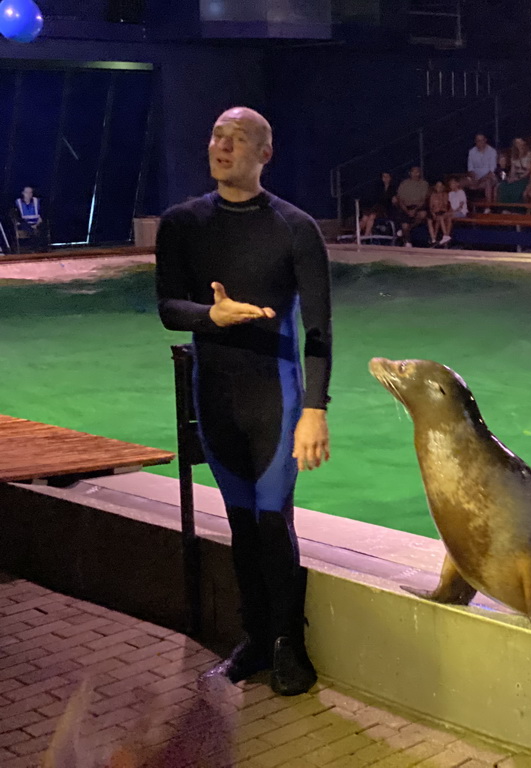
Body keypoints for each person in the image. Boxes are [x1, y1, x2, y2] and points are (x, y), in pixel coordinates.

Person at [155, 107, 329, 697]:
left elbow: (320, 332)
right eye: (216, 135)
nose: (223, 145)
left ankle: (290, 644)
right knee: (238, 522)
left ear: (265, 153)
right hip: (217, 392)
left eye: (239, 138)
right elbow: (167, 309)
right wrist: (211, 316)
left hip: (275, 399)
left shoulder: (295, 227)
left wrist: (316, 408)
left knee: (273, 519)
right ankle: (254, 639)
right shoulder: (181, 224)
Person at [395, 166, 430, 246]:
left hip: (418, 208)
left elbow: (423, 200)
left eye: (417, 172)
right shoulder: (404, 184)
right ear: (410, 173)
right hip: (405, 208)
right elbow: (400, 199)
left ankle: (405, 230)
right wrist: (406, 210)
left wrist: (415, 210)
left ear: (419, 173)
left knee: (422, 214)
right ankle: (407, 242)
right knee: (404, 225)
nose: (415, 174)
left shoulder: (424, 184)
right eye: (413, 172)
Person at [466, 133, 498, 210]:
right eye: (477, 141)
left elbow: (492, 171)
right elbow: (470, 168)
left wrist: (480, 180)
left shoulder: (492, 151)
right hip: (475, 178)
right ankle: (464, 208)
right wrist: (474, 178)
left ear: (485, 140)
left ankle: (488, 208)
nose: (479, 142)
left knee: (488, 182)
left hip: (488, 177)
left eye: (481, 140)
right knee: (461, 182)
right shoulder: (471, 152)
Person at [359, 172, 396, 238]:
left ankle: (366, 236)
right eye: (383, 177)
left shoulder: (394, 188)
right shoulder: (378, 188)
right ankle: (357, 236)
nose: (385, 178)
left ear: (390, 178)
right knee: (365, 217)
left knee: (372, 216)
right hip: (375, 207)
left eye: (387, 176)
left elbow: (391, 202)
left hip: (386, 210)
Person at [14, 185, 45, 251]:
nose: (29, 194)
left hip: (37, 223)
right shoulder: (17, 202)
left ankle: (40, 248)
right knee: (26, 227)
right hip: (25, 224)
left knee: (42, 227)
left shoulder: (37, 201)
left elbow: (42, 213)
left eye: (30, 192)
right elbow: (17, 216)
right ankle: (34, 246)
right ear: (23, 193)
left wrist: (37, 224)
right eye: (27, 192)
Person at [427, 180, 452, 245]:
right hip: (434, 212)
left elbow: (445, 205)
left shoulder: (445, 194)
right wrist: (433, 212)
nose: (439, 188)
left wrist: (440, 198)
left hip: (442, 212)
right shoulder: (433, 195)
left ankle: (445, 236)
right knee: (429, 220)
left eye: (441, 186)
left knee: (440, 218)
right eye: (438, 186)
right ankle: (433, 238)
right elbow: (431, 206)